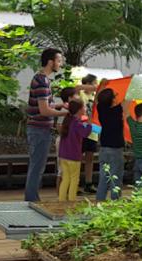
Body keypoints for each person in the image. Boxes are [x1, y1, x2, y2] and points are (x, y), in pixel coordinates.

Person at [24, 48, 68, 202]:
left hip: (40, 130)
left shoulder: (42, 79)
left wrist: (61, 106)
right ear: (51, 62)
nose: (60, 64)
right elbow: (44, 111)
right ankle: (31, 200)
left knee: (37, 166)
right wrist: (65, 113)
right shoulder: (42, 81)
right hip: (39, 130)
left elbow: (46, 105)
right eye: (59, 60)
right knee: (37, 167)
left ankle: (32, 198)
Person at [94, 82, 126, 201]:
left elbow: (97, 99)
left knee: (104, 177)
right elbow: (127, 98)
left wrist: (102, 85)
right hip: (116, 150)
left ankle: (99, 200)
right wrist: (132, 83)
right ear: (113, 100)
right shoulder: (118, 110)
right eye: (115, 95)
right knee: (115, 178)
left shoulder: (101, 109)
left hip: (104, 149)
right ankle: (115, 202)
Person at [57, 100, 92, 202]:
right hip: (73, 157)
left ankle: (61, 200)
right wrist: (89, 124)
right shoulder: (77, 124)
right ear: (80, 110)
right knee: (74, 180)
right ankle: (72, 201)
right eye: (84, 107)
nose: (85, 109)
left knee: (66, 179)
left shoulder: (67, 120)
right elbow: (85, 134)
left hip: (63, 156)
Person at [55, 87, 81, 192]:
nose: (78, 96)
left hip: (69, 143)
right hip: (63, 142)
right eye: (76, 94)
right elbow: (59, 126)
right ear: (70, 98)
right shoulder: (65, 110)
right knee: (62, 170)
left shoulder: (74, 111)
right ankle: (59, 194)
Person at [80, 74, 98, 194]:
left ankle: (88, 182)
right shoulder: (80, 94)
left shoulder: (94, 96)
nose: (95, 86)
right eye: (94, 83)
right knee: (77, 157)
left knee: (90, 157)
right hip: (82, 128)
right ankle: (74, 182)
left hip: (94, 130)